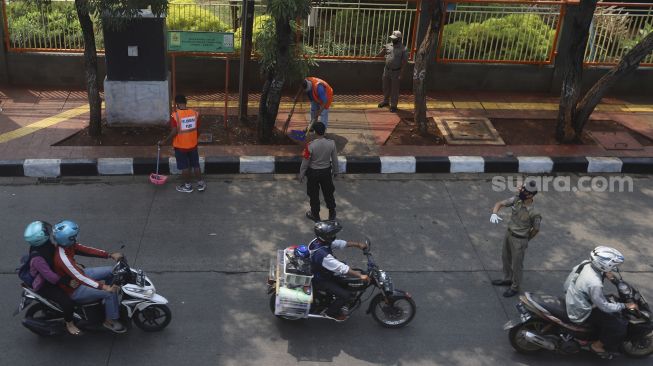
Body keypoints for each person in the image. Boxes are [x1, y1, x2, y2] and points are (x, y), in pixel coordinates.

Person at [52, 220, 127, 334]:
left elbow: (86, 250)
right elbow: (81, 278)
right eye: (74, 236)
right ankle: (109, 320)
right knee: (110, 293)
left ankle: (109, 305)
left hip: (78, 276)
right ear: (68, 239)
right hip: (75, 289)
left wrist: (109, 255)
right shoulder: (63, 258)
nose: (76, 238)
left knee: (112, 271)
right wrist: (104, 287)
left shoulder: (68, 246)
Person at [564, 246, 636, 357]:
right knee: (618, 325)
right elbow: (604, 306)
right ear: (605, 264)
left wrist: (606, 275)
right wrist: (624, 305)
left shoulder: (586, 264)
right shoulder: (595, 283)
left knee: (610, 300)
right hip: (581, 311)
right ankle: (596, 346)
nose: (614, 267)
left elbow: (569, 281)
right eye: (613, 265)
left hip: (573, 298)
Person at [23, 221, 82, 336]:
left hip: (54, 275)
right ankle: (69, 324)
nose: (49, 232)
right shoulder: (37, 258)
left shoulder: (45, 244)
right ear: (40, 237)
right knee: (67, 302)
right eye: (45, 231)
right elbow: (50, 276)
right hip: (45, 284)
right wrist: (67, 281)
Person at [490, 180, 542, 297]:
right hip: (509, 235)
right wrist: (494, 213)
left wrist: (525, 239)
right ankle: (507, 278)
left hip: (520, 239)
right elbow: (500, 203)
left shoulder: (534, 212)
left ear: (530, 195)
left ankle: (515, 287)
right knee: (505, 258)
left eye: (523, 190)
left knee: (517, 265)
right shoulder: (517, 200)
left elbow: (536, 229)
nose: (520, 191)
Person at [308, 221, 368, 321]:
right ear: (325, 236)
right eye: (331, 234)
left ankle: (333, 300)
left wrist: (357, 244)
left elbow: (338, 243)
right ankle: (331, 313)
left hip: (324, 272)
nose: (334, 236)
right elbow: (340, 267)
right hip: (321, 279)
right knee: (346, 296)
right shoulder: (322, 254)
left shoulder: (318, 241)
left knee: (345, 280)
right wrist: (359, 275)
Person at [158, 94, 205, 193]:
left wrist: (164, 141)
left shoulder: (175, 115)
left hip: (181, 147)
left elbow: (174, 131)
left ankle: (187, 186)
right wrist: (194, 138)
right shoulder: (195, 113)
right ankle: (200, 184)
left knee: (185, 167)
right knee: (196, 165)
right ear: (185, 102)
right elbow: (199, 129)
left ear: (177, 104)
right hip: (193, 145)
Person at [298, 122, 339, 222]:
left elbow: (305, 161)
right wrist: (336, 171)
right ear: (324, 131)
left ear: (315, 132)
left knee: (314, 194)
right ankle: (332, 213)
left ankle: (315, 214)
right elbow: (335, 159)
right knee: (328, 192)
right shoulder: (331, 143)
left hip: (313, 173)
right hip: (326, 172)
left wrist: (301, 173)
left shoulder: (310, 146)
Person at [377, 30, 408, 113]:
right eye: (392, 38)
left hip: (396, 72)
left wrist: (401, 74)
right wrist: (383, 50)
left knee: (394, 89)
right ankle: (386, 101)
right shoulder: (388, 45)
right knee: (385, 86)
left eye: (394, 38)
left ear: (399, 39)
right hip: (386, 70)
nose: (392, 40)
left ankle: (393, 105)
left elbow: (404, 63)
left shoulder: (403, 49)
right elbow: (379, 55)